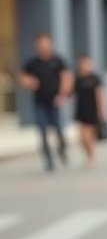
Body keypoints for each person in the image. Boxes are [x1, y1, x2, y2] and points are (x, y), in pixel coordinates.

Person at [17, 32, 72, 172]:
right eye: (40, 43)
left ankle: (62, 148)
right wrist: (28, 81)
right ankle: (48, 159)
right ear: (36, 46)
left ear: (49, 43)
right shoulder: (32, 63)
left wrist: (61, 95)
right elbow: (21, 76)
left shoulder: (58, 61)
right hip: (39, 102)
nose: (43, 46)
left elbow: (66, 78)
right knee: (42, 129)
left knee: (57, 128)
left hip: (54, 101)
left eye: (45, 43)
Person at [73, 54, 105, 167]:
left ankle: (91, 156)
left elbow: (99, 95)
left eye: (86, 63)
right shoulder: (77, 78)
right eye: (81, 64)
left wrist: (101, 112)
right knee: (81, 137)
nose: (83, 66)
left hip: (92, 110)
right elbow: (71, 93)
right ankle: (88, 154)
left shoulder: (94, 78)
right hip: (81, 109)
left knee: (89, 136)